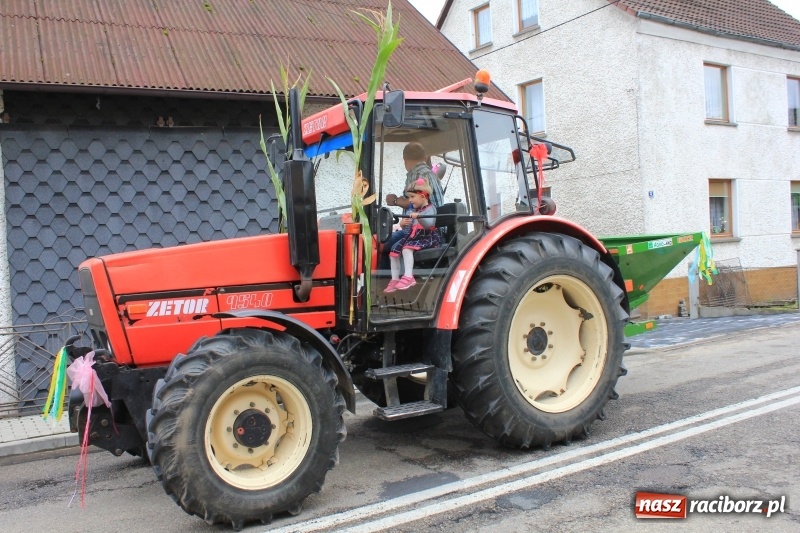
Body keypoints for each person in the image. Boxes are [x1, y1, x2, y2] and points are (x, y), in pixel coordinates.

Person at [381, 142, 444, 269]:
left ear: (405, 160)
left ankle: (385, 278)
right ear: (425, 157)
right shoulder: (432, 174)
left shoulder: (416, 173)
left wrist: (395, 201)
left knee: (383, 244)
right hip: (436, 230)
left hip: (422, 232)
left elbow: (412, 202)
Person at [384, 179, 441, 293]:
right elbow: (409, 229)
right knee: (394, 250)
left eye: (412, 197)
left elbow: (428, 225)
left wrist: (419, 217)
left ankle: (409, 277)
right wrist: (403, 225)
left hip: (426, 236)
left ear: (423, 196)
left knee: (406, 249)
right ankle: (395, 279)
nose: (409, 200)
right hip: (414, 236)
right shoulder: (415, 210)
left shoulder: (430, 209)